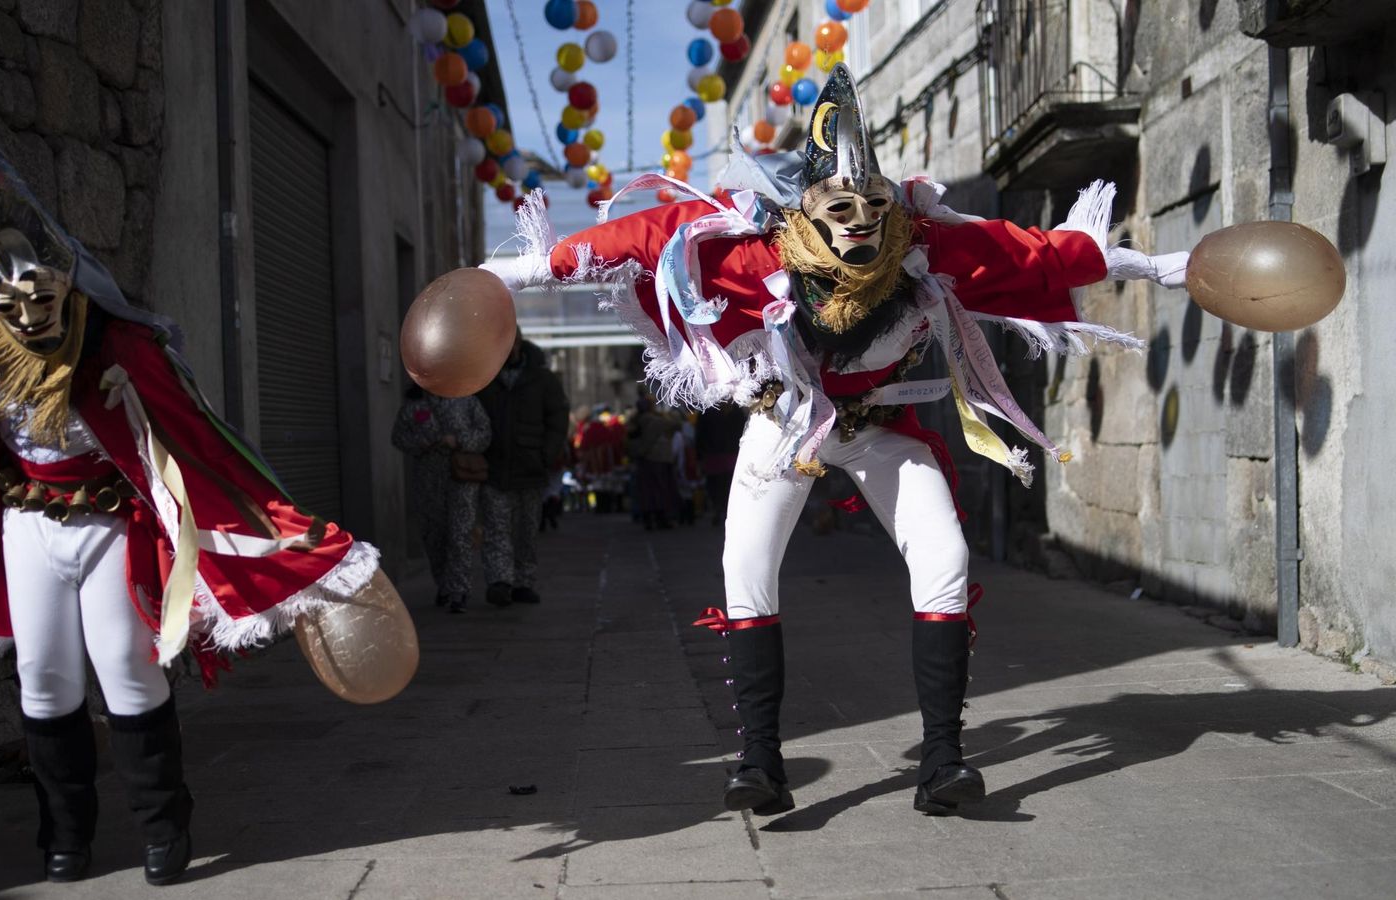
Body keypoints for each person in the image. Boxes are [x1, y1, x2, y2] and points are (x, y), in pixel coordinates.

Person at [481, 65, 1188, 817]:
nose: (858, 221)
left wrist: (1153, 266)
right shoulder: (760, 252)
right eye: (838, 206)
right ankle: (759, 764)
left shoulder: (922, 247)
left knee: (944, 556)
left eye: (872, 205)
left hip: (881, 424)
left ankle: (944, 762)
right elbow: (639, 238)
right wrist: (519, 272)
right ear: (805, 209)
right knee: (745, 568)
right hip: (786, 421)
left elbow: (1032, 254)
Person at [0, 148, 386, 884]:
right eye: (9, 307)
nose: (28, 319)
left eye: (41, 301)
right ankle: (64, 837)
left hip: (110, 527)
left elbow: (200, 447)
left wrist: (137, 413)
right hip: (29, 527)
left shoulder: (123, 349)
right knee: (45, 681)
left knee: (128, 671)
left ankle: (163, 827)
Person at [475, 331, 570, 607]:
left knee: (526, 530)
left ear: (519, 344)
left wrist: (546, 454)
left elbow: (558, 418)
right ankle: (499, 581)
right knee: (496, 528)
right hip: (494, 467)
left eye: (510, 342)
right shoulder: (485, 377)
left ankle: (524, 581)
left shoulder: (542, 379)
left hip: (530, 467)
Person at [390, 385, 491, 613]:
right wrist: (420, 443)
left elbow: (484, 432)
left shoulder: (467, 401)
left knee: (460, 533)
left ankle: (459, 590)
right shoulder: (415, 405)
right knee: (434, 534)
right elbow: (398, 436)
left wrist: (460, 440)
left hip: (461, 477)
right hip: (427, 479)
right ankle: (444, 584)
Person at [627, 397, 681, 530]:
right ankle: (660, 518)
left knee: (646, 490)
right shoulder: (653, 420)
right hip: (657, 459)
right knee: (660, 490)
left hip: (644, 460)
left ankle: (648, 519)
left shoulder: (635, 422)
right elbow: (676, 424)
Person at [695, 403, 747, 527]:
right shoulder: (736, 411)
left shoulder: (708, 410)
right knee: (727, 485)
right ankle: (724, 510)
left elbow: (700, 434)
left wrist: (700, 455)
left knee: (715, 484)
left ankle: (718, 508)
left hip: (715, 455)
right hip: (729, 455)